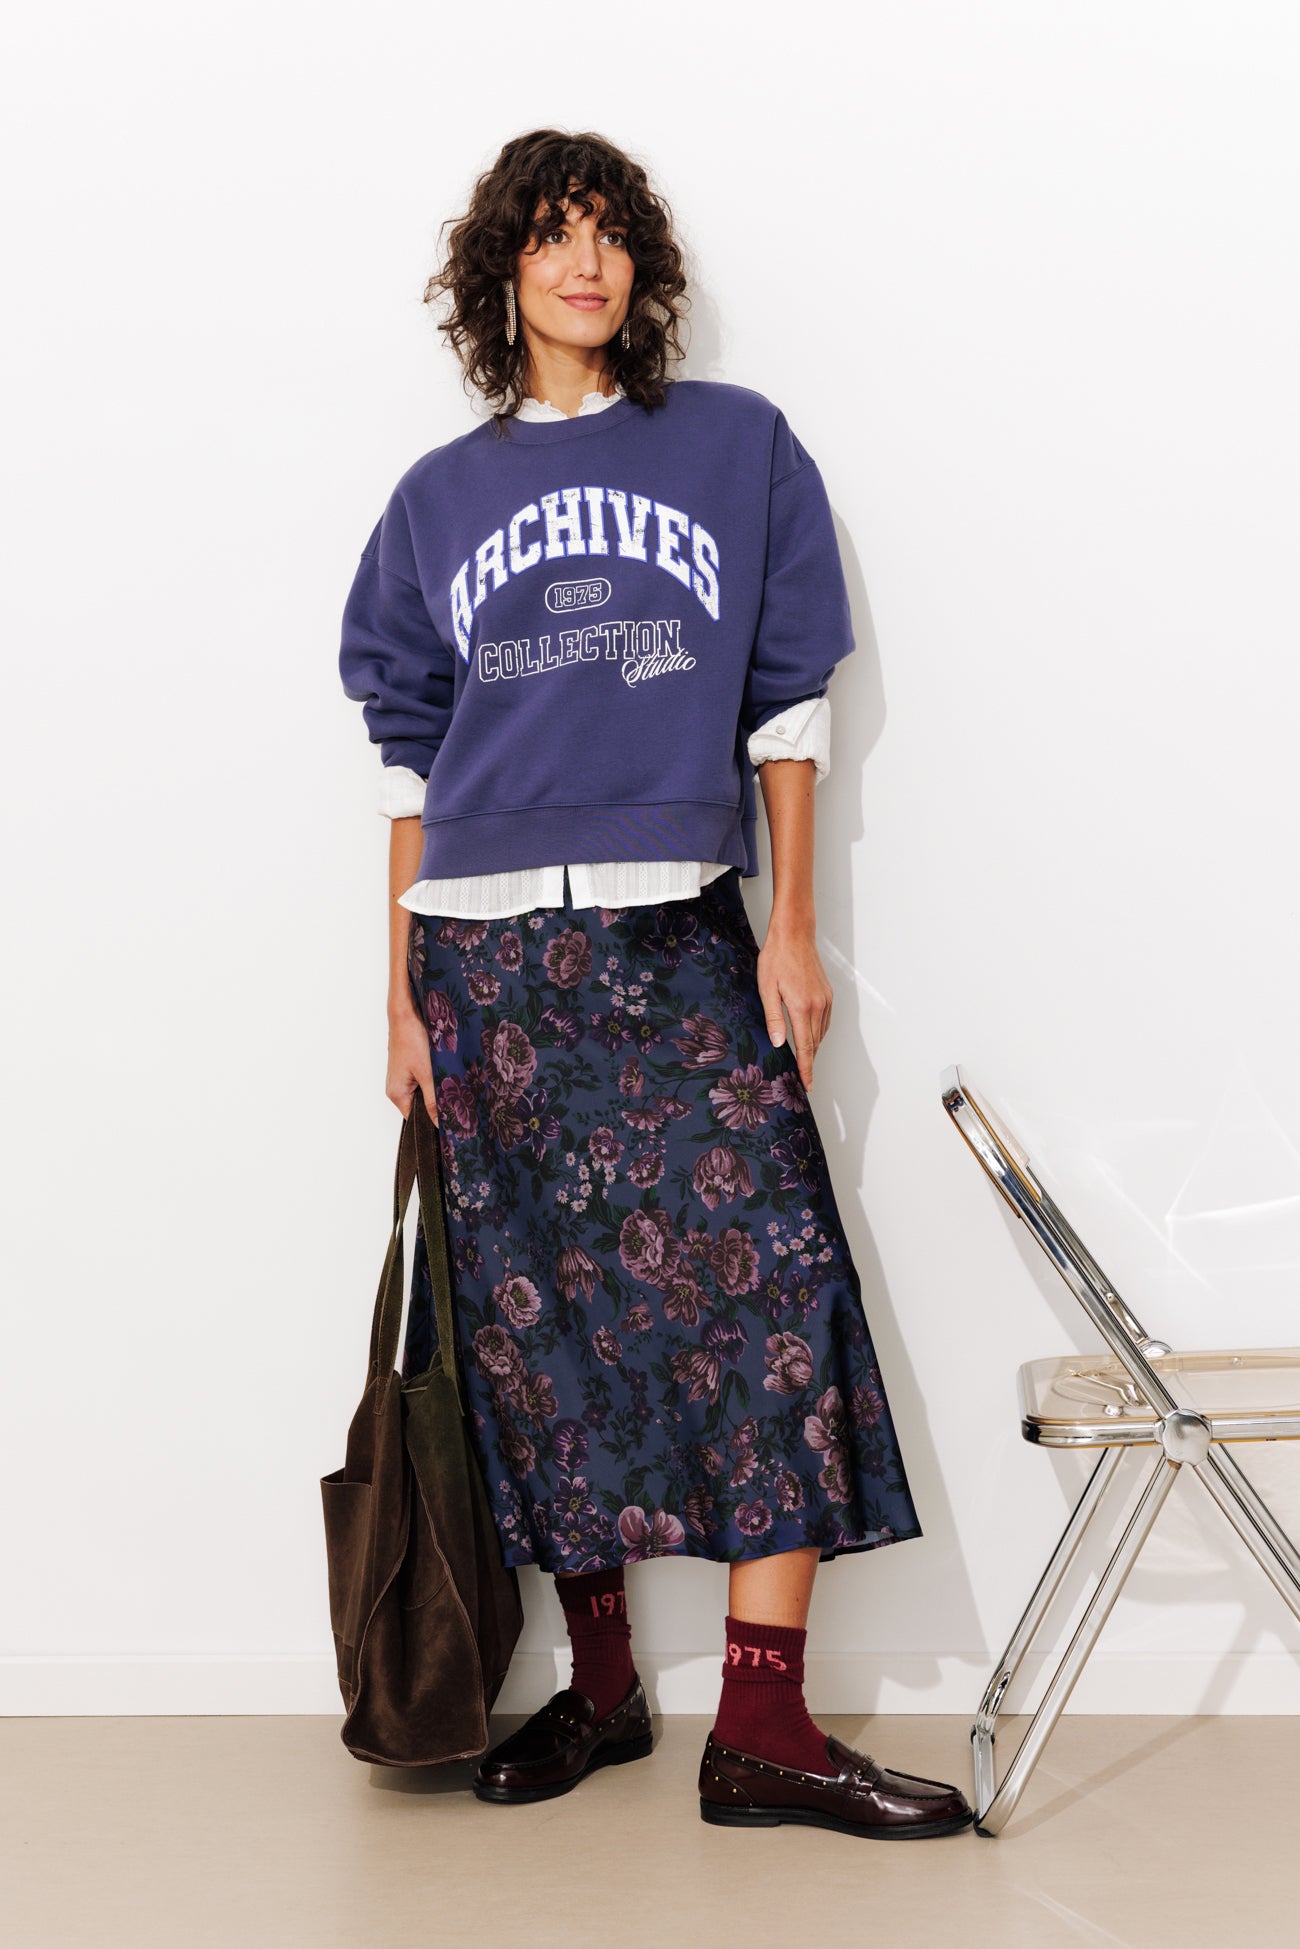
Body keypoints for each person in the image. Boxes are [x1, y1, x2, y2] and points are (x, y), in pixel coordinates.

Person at [338, 127, 972, 1840]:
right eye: (552, 235)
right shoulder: (434, 500)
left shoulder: (736, 448)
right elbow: (407, 760)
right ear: (503, 274)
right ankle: (604, 1684)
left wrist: (788, 923)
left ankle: (762, 1726)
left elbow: (788, 701)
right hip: (485, 957)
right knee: (541, 1323)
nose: (586, 262)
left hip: (680, 927)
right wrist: (399, 993)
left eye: (611, 233)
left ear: (643, 268)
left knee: (777, 1288)